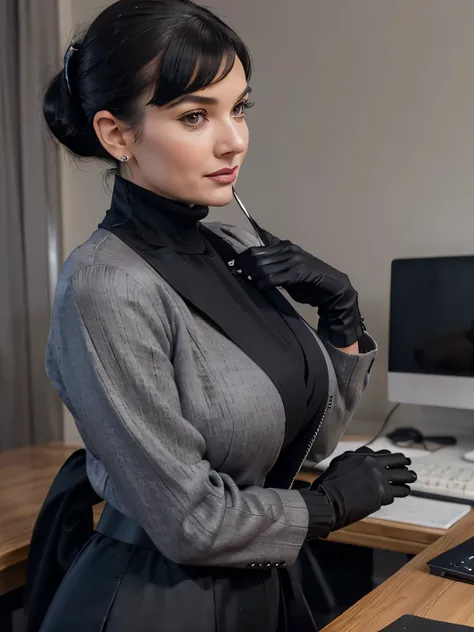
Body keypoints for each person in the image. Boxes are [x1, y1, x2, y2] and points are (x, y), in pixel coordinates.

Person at [26, 1, 417, 630]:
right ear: (117, 134)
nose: (233, 138)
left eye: (238, 108)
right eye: (194, 115)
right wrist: (327, 508)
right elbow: (190, 520)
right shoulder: (104, 285)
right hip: (161, 603)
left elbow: (304, 443)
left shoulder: (233, 251)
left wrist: (341, 315)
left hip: (259, 590)